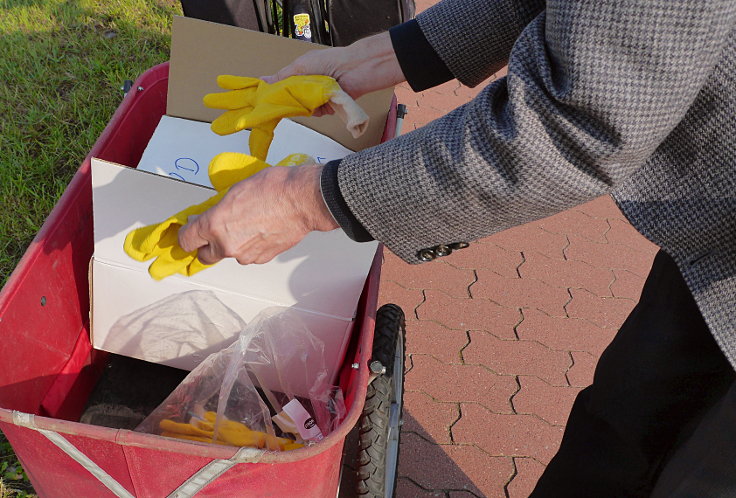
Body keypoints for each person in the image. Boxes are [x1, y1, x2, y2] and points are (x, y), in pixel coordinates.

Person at [179, 0, 736, 494]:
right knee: (617, 428)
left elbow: (574, 123)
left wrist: (305, 201)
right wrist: (380, 57)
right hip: (713, 244)